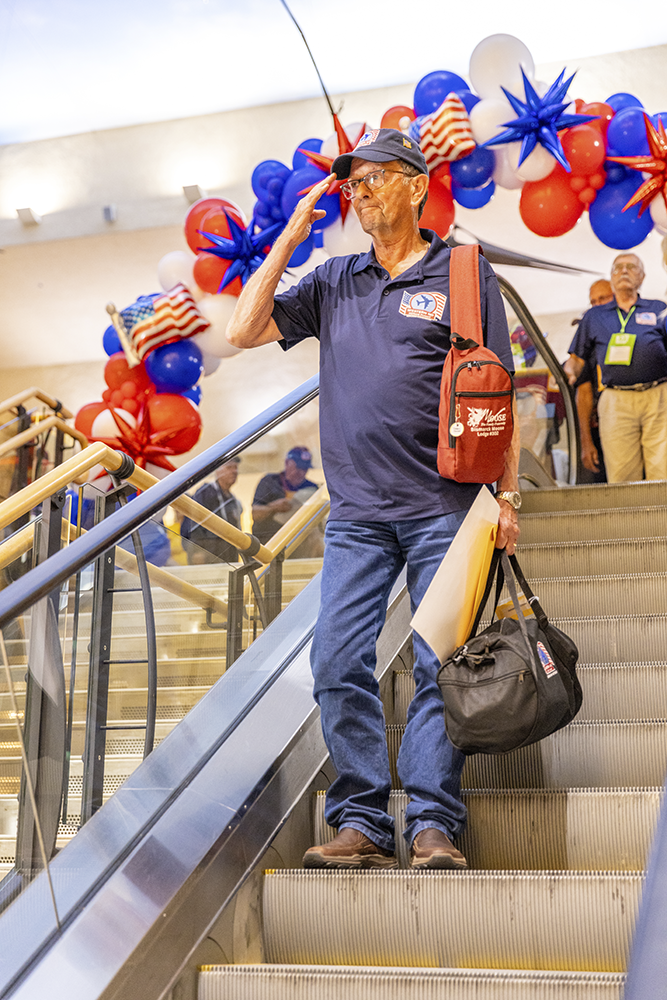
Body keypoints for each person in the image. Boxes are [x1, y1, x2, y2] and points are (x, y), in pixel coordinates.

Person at [227, 127, 520, 871]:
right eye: (351, 184)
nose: (358, 193)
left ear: (417, 185)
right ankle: (360, 818)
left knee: (438, 665)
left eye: (374, 179)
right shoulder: (333, 280)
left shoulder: (461, 273)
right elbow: (241, 328)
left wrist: (508, 499)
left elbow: (497, 389)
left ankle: (430, 823)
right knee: (334, 660)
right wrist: (295, 228)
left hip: (446, 508)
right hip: (356, 515)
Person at [565, 255, 667, 483]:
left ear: (642, 276)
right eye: (617, 268)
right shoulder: (594, 316)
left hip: (659, 397)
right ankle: (630, 520)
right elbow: (576, 360)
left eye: (631, 267)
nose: (624, 271)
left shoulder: (659, 308)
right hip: (616, 401)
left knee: (663, 475)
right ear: (611, 277)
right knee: (622, 475)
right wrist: (568, 372)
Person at [571, 280, 614, 481]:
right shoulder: (588, 340)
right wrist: (586, 441)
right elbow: (584, 391)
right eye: (593, 301)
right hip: (602, 430)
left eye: (603, 298)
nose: (597, 305)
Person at [182, 456, 243, 564]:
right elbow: (193, 521)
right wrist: (197, 551)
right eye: (229, 467)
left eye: (236, 468)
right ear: (218, 471)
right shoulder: (205, 492)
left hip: (228, 556)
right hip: (208, 555)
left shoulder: (232, 500)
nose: (234, 471)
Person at [251, 447, 318, 545]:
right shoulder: (269, 482)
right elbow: (255, 513)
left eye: (305, 469)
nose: (301, 473)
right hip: (268, 545)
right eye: (298, 468)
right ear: (287, 463)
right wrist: (273, 507)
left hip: (298, 547)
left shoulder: (311, 488)